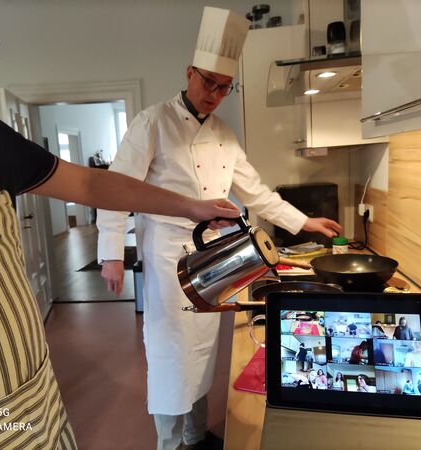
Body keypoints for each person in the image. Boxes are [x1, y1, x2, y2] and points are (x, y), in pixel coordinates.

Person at [0, 4, 241, 448]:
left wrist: (190, 207)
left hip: (36, 408)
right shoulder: (154, 120)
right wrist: (113, 253)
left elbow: (91, 183)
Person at [96, 7, 341, 449]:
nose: (214, 93)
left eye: (224, 87)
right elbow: (117, 187)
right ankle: (170, 444)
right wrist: (111, 251)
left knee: (204, 353)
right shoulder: (153, 122)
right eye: (208, 81)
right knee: (172, 358)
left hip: (213, 258)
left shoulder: (226, 134)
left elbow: (258, 193)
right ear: (190, 73)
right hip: (167, 258)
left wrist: (304, 222)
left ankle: (195, 434)